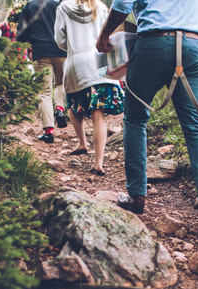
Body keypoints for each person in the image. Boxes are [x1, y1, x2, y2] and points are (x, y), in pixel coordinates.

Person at [96, 0, 198, 235]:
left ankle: (136, 196)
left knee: (135, 120)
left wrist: (105, 34)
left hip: (152, 45)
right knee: (197, 127)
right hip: (193, 46)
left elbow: (123, 4)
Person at [54, 0, 125, 175]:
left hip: (76, 61)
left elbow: (59, 40)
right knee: (98, 113)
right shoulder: (100, 7)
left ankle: (82, 143)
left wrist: (72, 45)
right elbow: (110, 34)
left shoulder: (63, 7)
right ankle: (99, 162)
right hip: (99, 59)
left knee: (73, 102)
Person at [17, 0, 69, 144]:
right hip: (61, 50)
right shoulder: (59, 4)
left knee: (44, 91)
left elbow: (21, 34)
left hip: (40, 52)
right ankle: (59, 109)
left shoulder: (29, 6)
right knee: (61, 84)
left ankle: (48, 132)